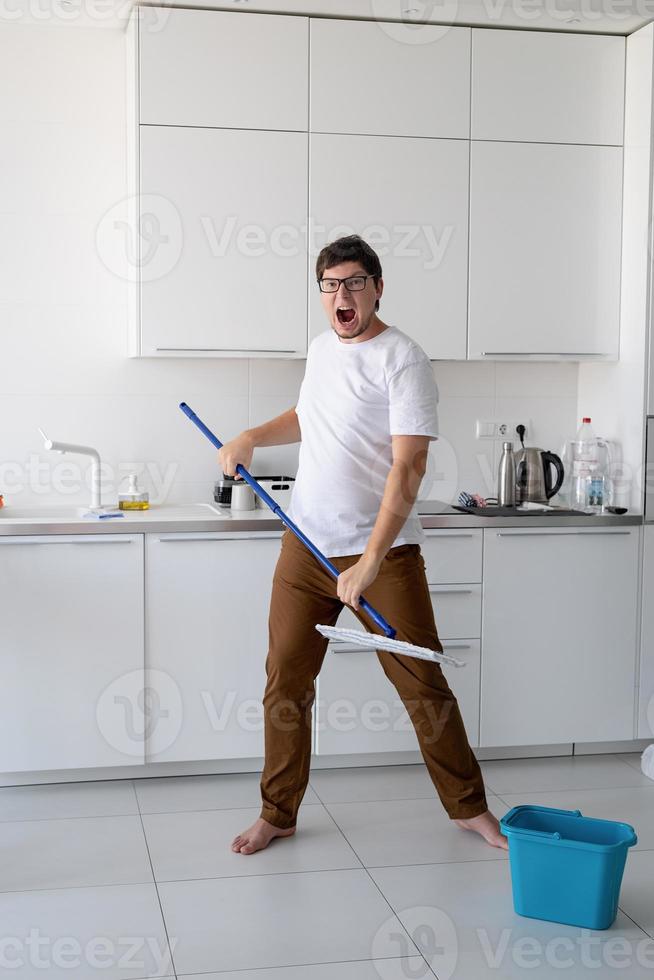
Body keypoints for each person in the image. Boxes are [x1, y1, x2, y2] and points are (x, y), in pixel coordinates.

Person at [219, 234, 508, 855]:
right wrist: (249, 436)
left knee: (421, 683)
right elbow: (307, 416)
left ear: (377, 288)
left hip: (382, 555)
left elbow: (409, 467)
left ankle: (470, 808)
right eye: (330, 285)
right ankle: (279, 812)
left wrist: (370, 561)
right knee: (285, 683)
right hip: (305, 548)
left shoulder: (403, 359)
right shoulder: (323, 350)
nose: (341, 295)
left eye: (354, 282)